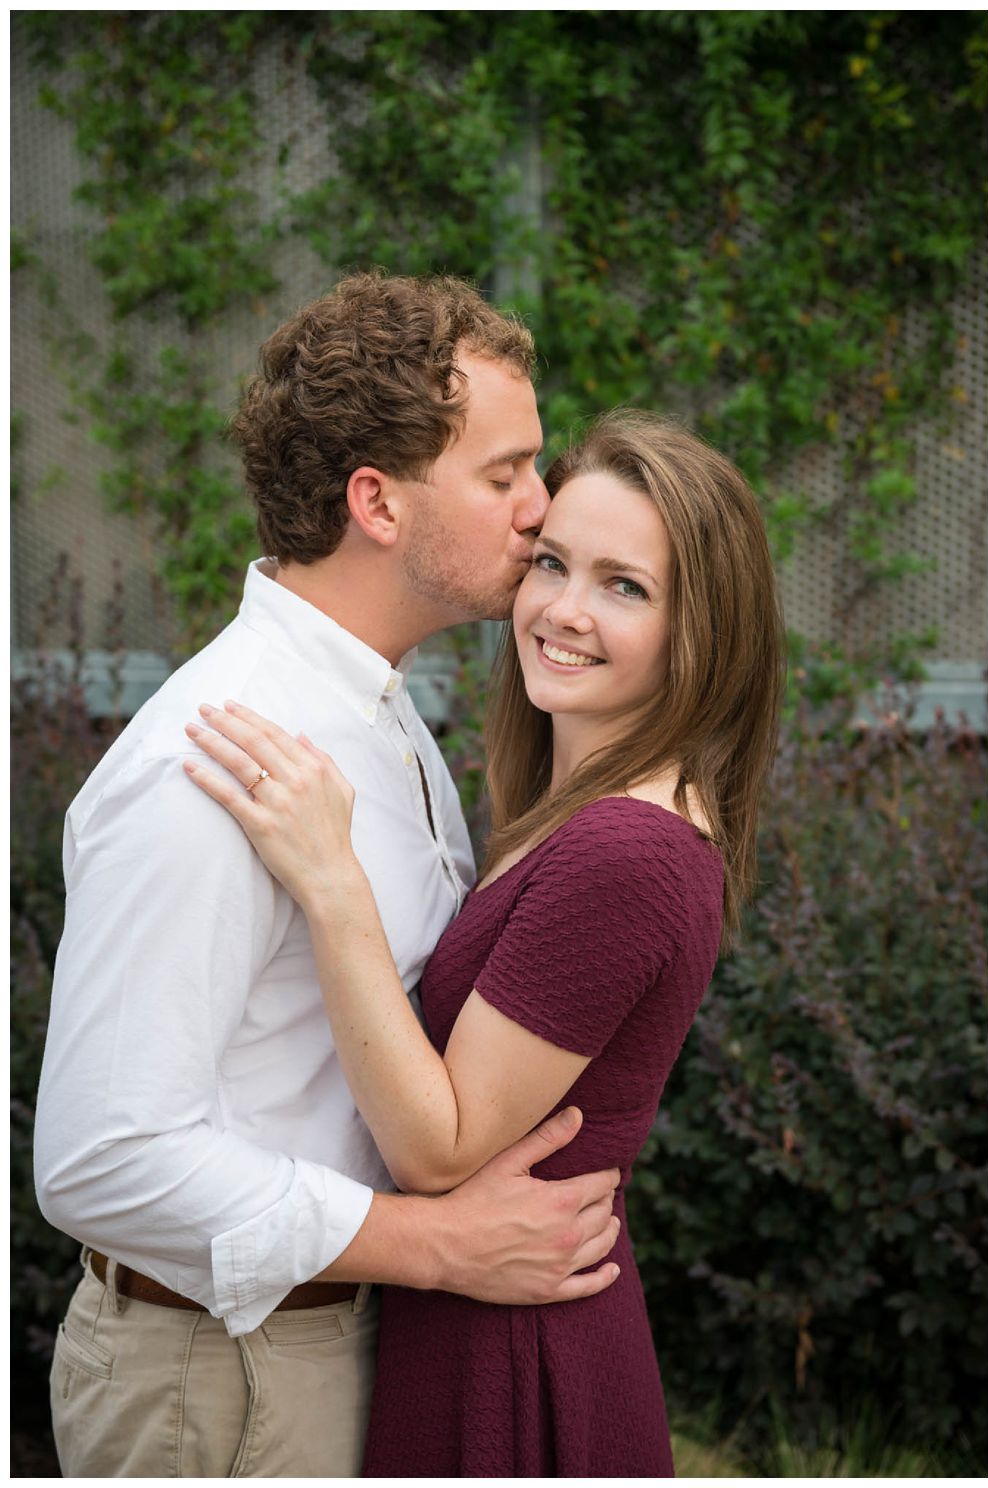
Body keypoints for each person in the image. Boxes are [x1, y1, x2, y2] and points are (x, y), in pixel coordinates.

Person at [33, 273, 627, 1477]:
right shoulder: (215, 761)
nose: (542, 504)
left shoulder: (379, 712)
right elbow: (102, 1159)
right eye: (503, 473)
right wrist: (438, 1246)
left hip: (320, 1347)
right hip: (217, 1382)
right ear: (378, 502)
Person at [179, 409, 787, 1474]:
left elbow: (439, 1146)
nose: (561, 610)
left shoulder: (627, 853)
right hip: (480, 1310)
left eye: (624, 586)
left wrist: (332, 886)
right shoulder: (575, 813)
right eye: (552, 563)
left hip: (516, 1350)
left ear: (703, 630)